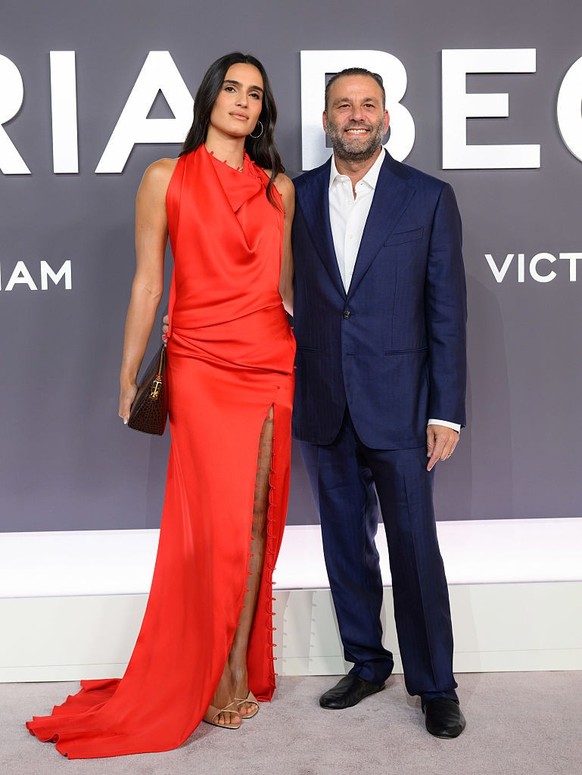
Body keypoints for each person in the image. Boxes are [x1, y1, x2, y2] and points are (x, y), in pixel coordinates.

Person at [26, 52, 296, 758]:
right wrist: (129, 375)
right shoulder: (164, 178)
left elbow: (285, 288)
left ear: (262, 113)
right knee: (215, 525)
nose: (242, 101)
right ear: (210, 98)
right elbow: (149, 282)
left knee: (257, 518)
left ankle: (234, 666)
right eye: (231, 88)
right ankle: (207, 667)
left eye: (255, 94)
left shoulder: (279, 190)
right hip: (201, 365)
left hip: (270, 360)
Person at [292, 68, 467, 738]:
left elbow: (446, 311)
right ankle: (366, 662)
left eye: (368, 104)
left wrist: (444, 409)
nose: (356, 115)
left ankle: (436, 685)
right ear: (327, 119)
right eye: (344, 105)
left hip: (402, 407)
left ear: (387, 117)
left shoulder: (427, 197)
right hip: (324, 402)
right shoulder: (298, 196)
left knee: (414, 548)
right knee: (344, 544)